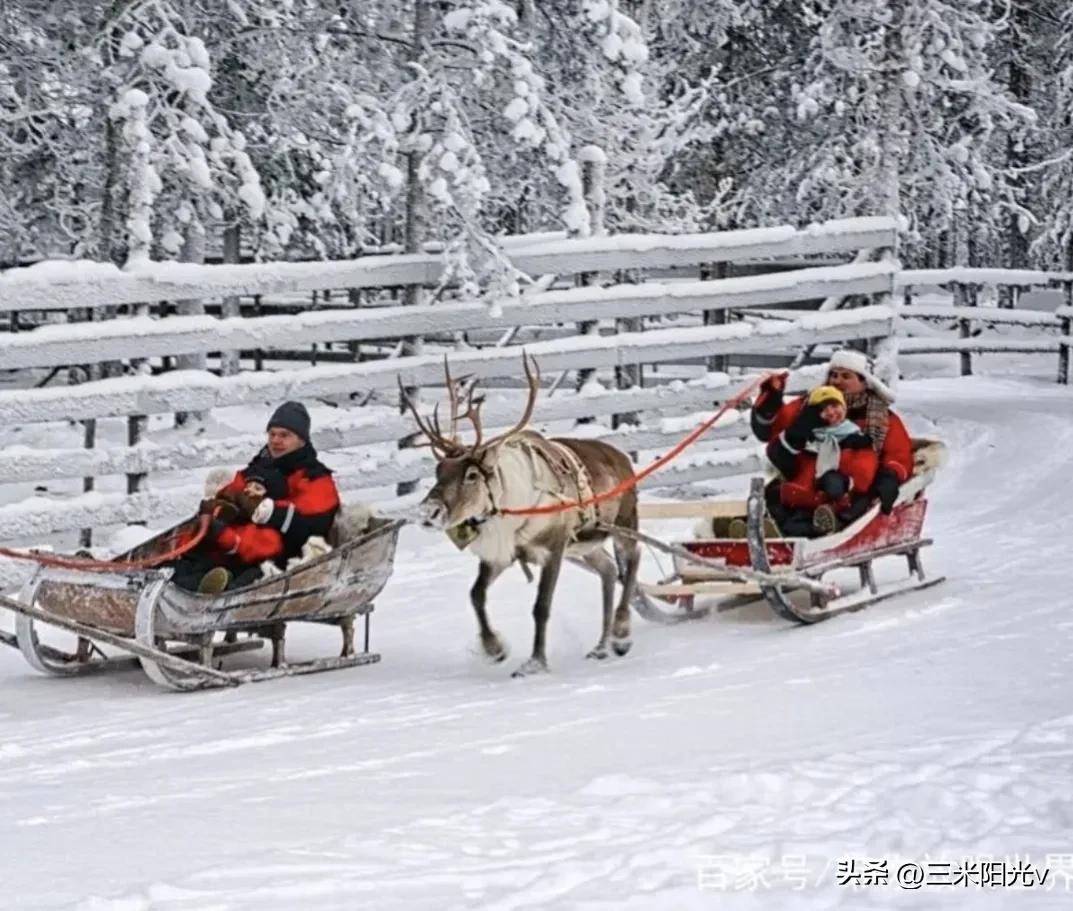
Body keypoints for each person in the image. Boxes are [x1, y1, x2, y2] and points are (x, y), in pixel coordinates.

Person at [173, 402, 341, 593]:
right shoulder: (260, 467)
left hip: (279, 553)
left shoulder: (314, 476)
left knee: (250, 571)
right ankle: (181, 581)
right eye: (272, 434)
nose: (276, 440)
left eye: (284, 435)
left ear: (302, 440)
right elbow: (232, 491)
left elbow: (312, 521)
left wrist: (267, 510)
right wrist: (217, 507)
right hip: (242, 545)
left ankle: (215, 592)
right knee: (201, 553)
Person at [751, 349, 913, 531]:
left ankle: (791, 531)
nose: (837, 381)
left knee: (829, 512)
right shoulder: (809, 406)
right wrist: (770, 401)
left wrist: (890, 476)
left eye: (846, 376)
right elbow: (772, 432)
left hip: (848, 489)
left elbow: (899, 455)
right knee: (778, 502)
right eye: (834, 375)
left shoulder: (882, 418)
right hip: (802, 481)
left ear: (864, 382)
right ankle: (760, 528)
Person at [768, 385, 878, 536]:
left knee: (805, 522)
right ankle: (765, 528)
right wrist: (796, 432)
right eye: (823, 409)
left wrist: (844, 481)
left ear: (843, 407)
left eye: (834, 405)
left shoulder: (857, 439)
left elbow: (865, 472)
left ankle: (818, 528)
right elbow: (779, 456)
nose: (831, 412)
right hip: (800, 498)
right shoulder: (809, 439)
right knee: (775, 499)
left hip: (836, 502)